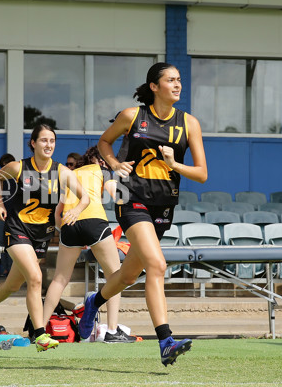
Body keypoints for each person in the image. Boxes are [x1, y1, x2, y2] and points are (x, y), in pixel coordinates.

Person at [78, 62, 207, 366]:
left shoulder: (190, 124)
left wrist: (175, 165)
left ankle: (93, 302)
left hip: (163, 205)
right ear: (154, 86)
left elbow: (201, 174)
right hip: (130, 197)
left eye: (179, 80)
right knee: (157, 265)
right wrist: (113, 163)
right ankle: (165, 340)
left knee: (129, 273)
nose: (177, 84)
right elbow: (104, 142)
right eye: (170, 80)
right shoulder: (132, 116)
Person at [0, 124, 90, 352]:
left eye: (52, 141)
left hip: (41, 235)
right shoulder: (18, 168)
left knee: (12, 284)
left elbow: (84, 197)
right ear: (33, 143)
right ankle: (39, 333)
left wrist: (75, 211)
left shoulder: (62, 172)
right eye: (44, 140)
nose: (49, 145)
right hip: (17, 229)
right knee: (35, 278)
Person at [42, 146, 134, 343]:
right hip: (94, 221)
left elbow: (58, 212)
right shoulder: (103, 170)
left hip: (69, 226)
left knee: (59, 280)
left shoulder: (70, 173)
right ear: (101, 160)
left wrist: (67, 231)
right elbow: (116, 195)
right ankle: (111, 330)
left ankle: (39, 330)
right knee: (115, 276)